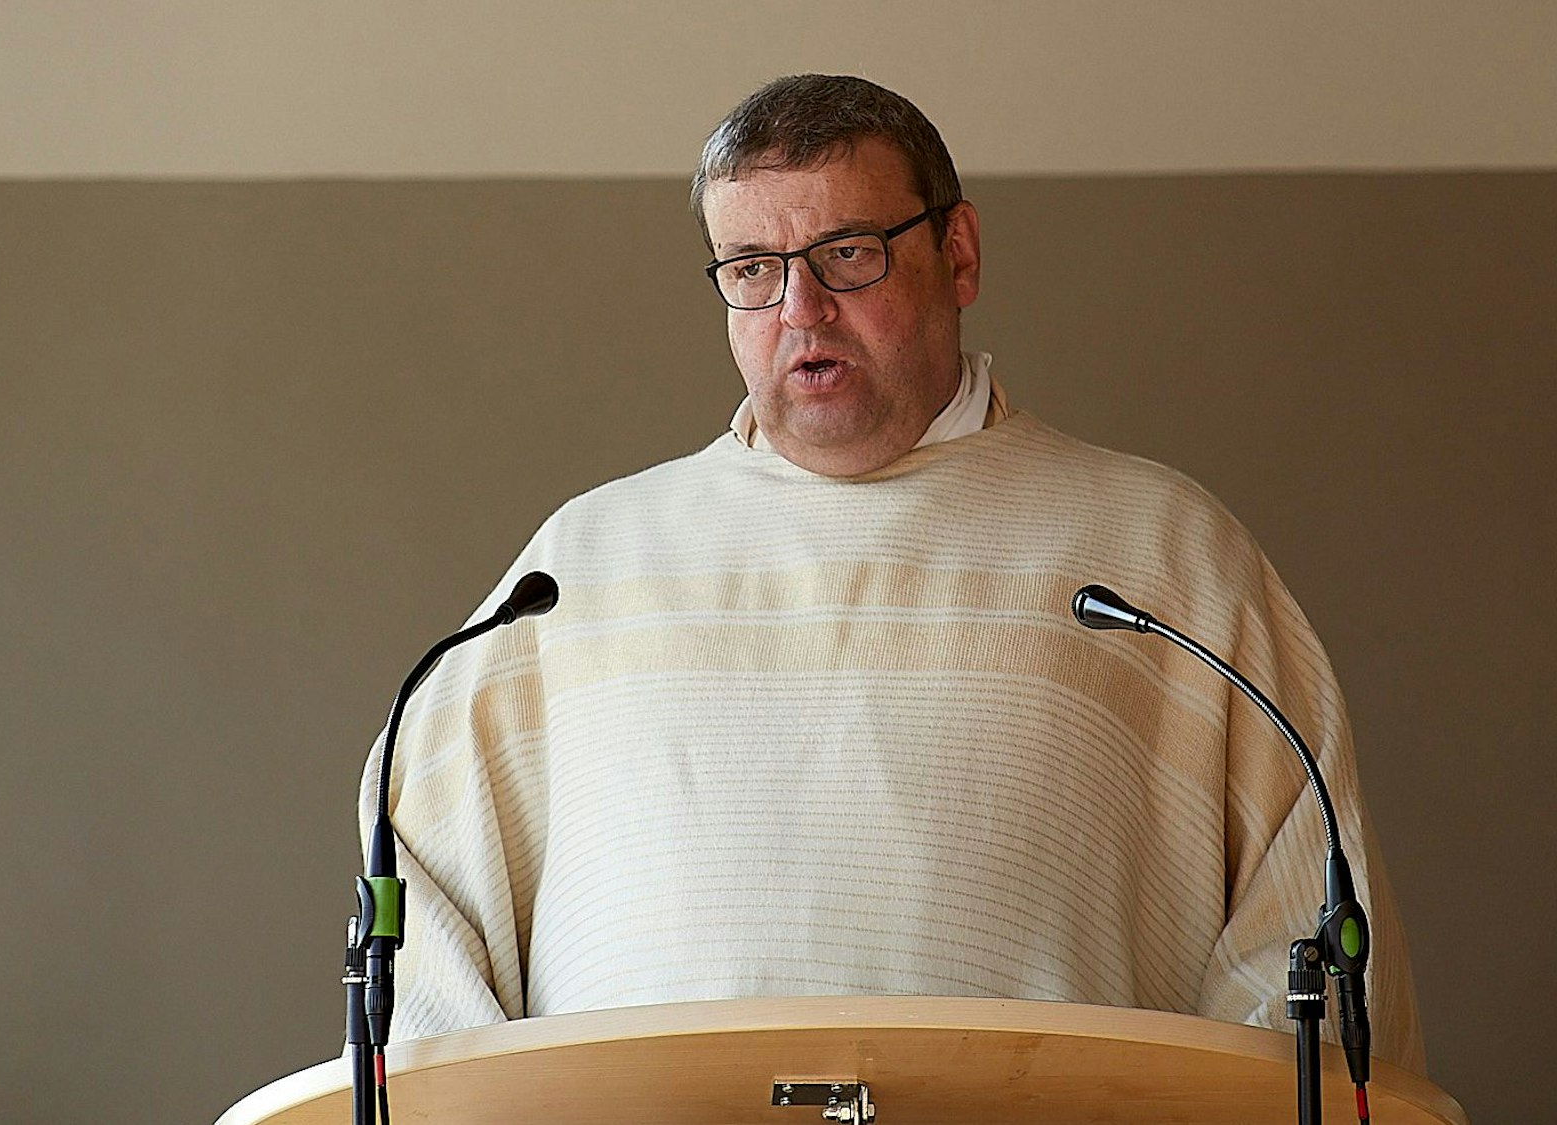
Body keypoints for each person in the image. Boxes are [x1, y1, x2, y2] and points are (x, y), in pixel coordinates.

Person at [361, 74, 1424, 1072]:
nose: (799, 310)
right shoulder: (581, 566)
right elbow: (422, 918)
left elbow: (1301, 927)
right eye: (751, 270)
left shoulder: (1157, 555)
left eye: (849, 253)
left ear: (956, 254)